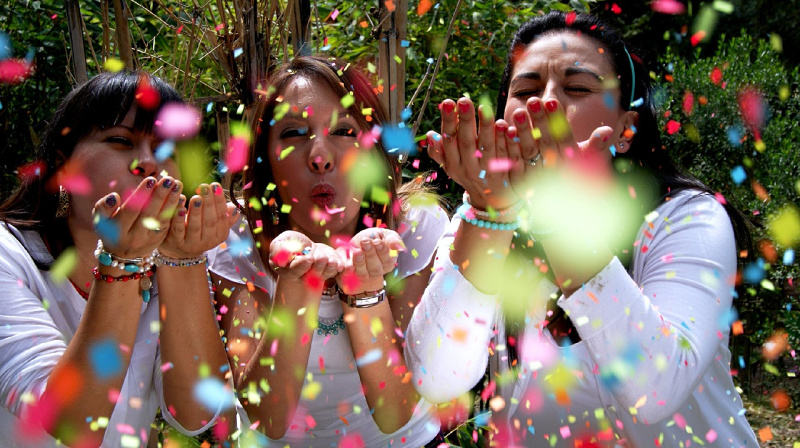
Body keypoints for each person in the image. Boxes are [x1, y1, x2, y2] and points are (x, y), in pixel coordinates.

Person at [405, 11, 759, 447]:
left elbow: (655, 390)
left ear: (626, 128)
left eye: (577, 88)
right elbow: (436, 379)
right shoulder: (479, 219)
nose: (543, 105)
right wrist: (489, 214)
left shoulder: (687, 217)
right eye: (526, 90)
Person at [207, 56, 448, 447]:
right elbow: (266, 417)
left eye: (343, 130)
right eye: (294, 133)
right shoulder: (237, 242)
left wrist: (365, 290)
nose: (320, 156)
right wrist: (295, 288)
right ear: (265, 160)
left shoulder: (414, 231)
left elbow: (395, 410)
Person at [0, 70, 236, 447]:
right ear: (64, 165)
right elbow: (68, 424)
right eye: (120, 141)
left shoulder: (164, 263)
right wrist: (124, 262)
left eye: (168, 150)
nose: (148, 164)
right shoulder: (8, 256)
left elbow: (194, 414)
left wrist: (182, 260)